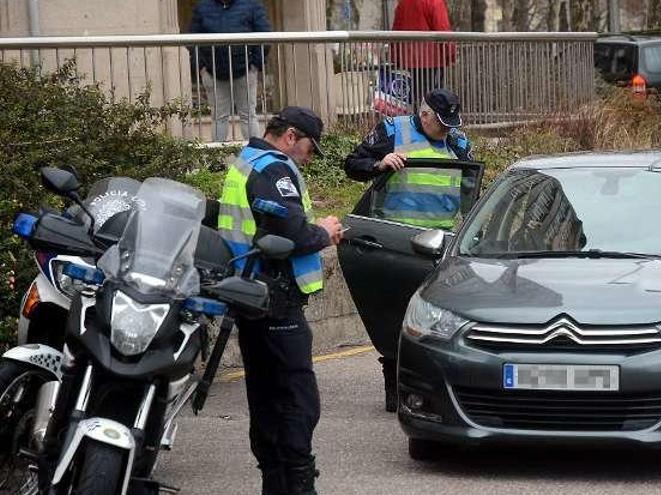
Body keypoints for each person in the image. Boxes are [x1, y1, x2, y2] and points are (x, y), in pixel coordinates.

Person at [217, 106, 343, 495]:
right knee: (295, 399)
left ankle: (275, 483)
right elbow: (291, 236)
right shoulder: (274, 169)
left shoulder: (246, 161)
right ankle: (298, 485)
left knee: (267, 396)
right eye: (308, 149)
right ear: (290, 136)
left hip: (250, 295)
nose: (307, 158)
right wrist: (323, 232)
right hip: (275, 299)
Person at [343, 88, 473, 412]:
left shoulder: (458, 142)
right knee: (395, 317)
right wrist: (379, 162)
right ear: (424, 114)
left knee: (434, 323)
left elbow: (471, 189)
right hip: (396, 241)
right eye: (441, 123)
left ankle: (434, 386)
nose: (447, 130)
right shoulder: (393, 130)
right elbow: (352, 165)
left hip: (441, 246)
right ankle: (394, 384)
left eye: (451, 124)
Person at [189, 0, 272, 142]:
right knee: (219, 117)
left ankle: (254, 158)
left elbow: (265, 36)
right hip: (213, 72)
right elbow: (191, 39)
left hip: (245, 71)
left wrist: (255, 65)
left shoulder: (252, 5)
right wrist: (202, 67)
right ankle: (217, 160)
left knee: (248, 116)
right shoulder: (202, 7)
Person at [391, 0, 455, 110]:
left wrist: (396, 57)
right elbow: (443, 29)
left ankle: (418, 121)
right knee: (434, 97)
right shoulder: (434, 2)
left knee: (417, 95)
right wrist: (450, 53)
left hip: (410, 60)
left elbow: (396, 30)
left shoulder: (403, 3)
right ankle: (432, 124)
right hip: (432, 59)